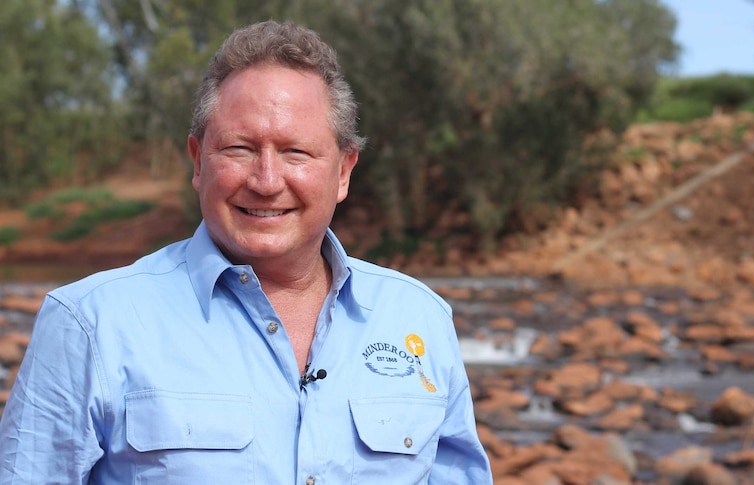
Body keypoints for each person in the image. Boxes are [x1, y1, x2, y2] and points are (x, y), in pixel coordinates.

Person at [0, 20, 492, 484]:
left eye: (296, 152)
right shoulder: (89, 325)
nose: (266, 181)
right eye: (239, 149)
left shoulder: (419, 319)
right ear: (198, 162)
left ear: (343, 171)